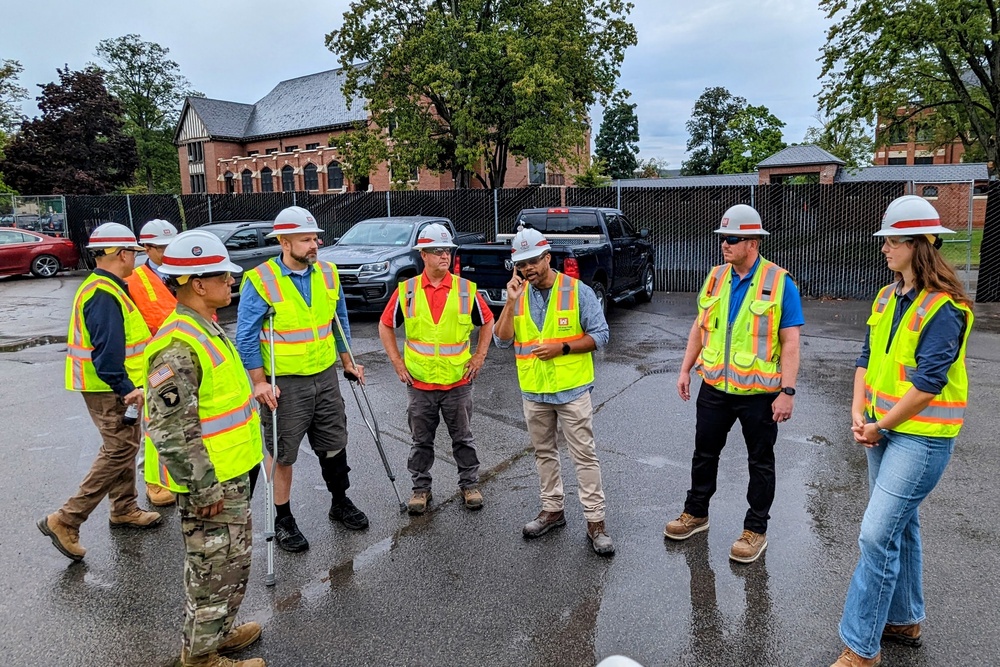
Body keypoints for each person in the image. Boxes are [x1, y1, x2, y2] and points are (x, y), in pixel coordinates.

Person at [831, 196, 974, 667]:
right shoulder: (886, 295)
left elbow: (929, 384)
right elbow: (866, 357)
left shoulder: (945, 309)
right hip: (881, 428)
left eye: (893, 240)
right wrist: (858, 409)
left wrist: (877, 425)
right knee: (899, 526)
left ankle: (860, 648)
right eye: (885, 240)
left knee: (875, 535)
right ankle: (905, 618)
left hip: (920, 438)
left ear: (919, 244)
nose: (885, 248)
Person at [144, 230, 265, 667]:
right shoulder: (177, 343)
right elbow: (172, 429)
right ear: (197, 282)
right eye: (223, 277)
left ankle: (219, 632)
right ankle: (201, 658)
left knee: (230, 563)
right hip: (212, 482)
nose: (231, 283)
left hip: (232, 471)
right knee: (213, 569)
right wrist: (204, 489)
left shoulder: (205, 326)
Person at [665, 203, 803, 564]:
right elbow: (700, 326)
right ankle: (696, 513)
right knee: (704, 453)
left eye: (732, 238)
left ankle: (755, 530)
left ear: (753, 242)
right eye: (722, 238)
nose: (724, 244)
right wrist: (685, 369)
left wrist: (787, 391)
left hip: (759, 395)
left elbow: (791, 342)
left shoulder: (779, 283)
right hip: (714, 388)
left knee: (760, 461)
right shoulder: (714, 277)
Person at [235, 206, 366, 553]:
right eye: (306, 239)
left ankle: (340, 501)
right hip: (285, 383)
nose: (315, 244)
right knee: (283, 453)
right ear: (283, 241)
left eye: (315, 238)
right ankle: (284, 519)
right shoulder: (260, 280)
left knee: (334, 442)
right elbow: (246, 336)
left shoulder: (328, 273)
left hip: (325, 376)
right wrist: (259, 383)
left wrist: (348, 360)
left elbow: (339, 321)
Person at [37, 222, 161, 562]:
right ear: (121, 254)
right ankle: (66, 519)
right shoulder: (105, 294)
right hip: (108, 387)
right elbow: (106, 354)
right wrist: (126, 389)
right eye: (133, 253)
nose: (135, 259)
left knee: (124, 444)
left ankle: (124, 508)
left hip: (109, 385)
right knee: (119, 449)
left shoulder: (104, 287)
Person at [494, 226, 614, 556]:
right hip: (534, 391)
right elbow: (502, 340)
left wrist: (563, 347)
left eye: (533, 261)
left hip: (572, 390)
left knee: (584, 456)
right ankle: (552, 510)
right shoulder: (517, 295)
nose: (527, 269)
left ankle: (596, 522)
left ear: (548, 258)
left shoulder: (577, 291)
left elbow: (601, 336)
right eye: (521, 264)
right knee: (544, 454)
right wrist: (509, 303)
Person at [378, 223, 494, 514]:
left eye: (447, 250)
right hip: (420, 384)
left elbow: (488, 321)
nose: (444, 255)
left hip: (457, 381)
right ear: (424, 256)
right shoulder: (407, 291)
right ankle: (421, 490)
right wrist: (397, 363)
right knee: (421, 442)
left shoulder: (466, 290)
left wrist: (479, 356)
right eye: (437, 251)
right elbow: (385, 325)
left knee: (463, 439)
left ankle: (469, 485)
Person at [126, 218, 181, 508]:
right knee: (156, 420)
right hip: (157, 365)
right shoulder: (134, 281)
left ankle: (181, 472)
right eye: (162, 248)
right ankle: (154, 481)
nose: (168, 252)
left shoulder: (183, 272)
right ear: (147, 248)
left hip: (187, 359)